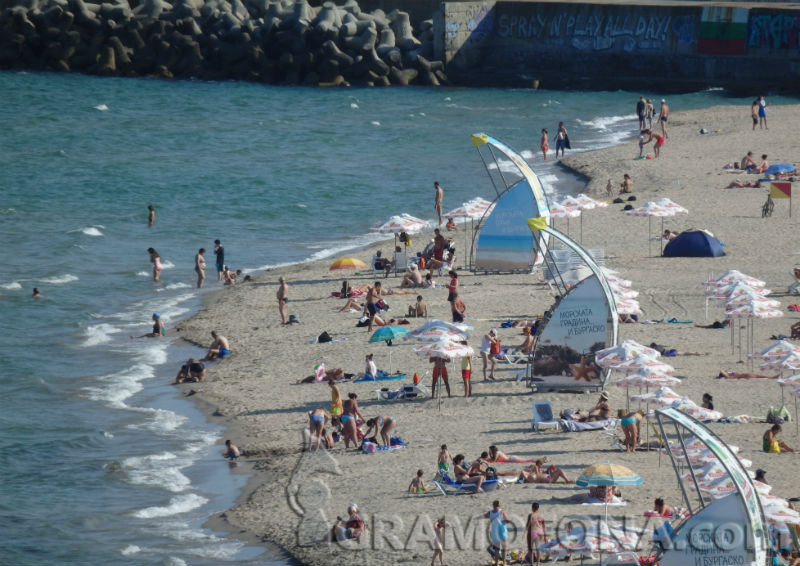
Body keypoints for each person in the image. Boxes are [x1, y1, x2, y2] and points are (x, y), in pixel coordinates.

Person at [485, 500, 511, 566]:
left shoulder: (490, 513)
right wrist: (503, 520)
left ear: (493, 505)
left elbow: (484, 516)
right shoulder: (502, 511)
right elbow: (508, 520)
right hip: (502, 531)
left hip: (494, 532)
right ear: (499, 505)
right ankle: (504, 563)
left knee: (496, 549)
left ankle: (497, 564)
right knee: (504, 548)